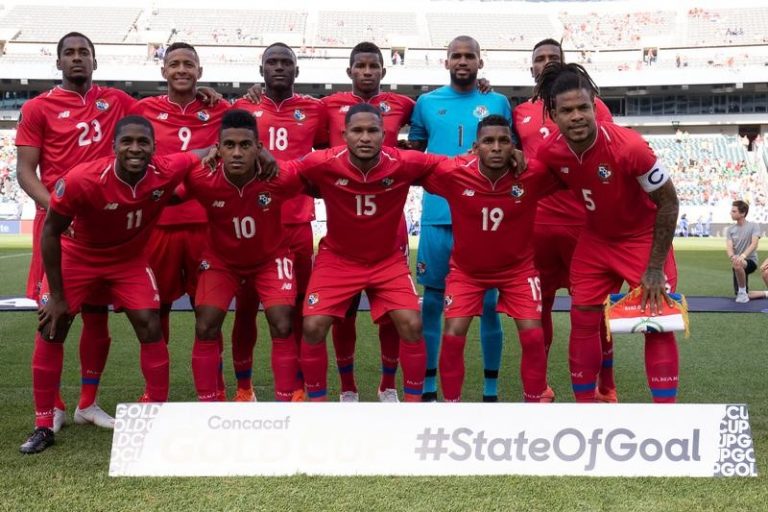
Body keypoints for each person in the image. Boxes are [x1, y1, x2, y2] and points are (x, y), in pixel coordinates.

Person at [20, 116, 205, 454]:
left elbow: (203, 152)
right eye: (127, 142)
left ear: (154, 147)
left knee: (150, 324)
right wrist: (58, 296)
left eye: (143, 142)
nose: (135, 148)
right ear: (114, 147)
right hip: (78, 256)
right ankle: (43, 423)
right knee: (52, 326)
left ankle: (157, 415)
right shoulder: (82, 179)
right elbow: (50, 232)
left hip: (128, 260)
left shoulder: (166, 168)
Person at [534, 62, 680, 403]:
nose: (577, 116)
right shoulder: (551, 151)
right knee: (582, 319)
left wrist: (655, 267)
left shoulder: (630, 147)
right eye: (567, 110)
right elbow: (534, 185)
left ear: (595, 105)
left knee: (655, 319)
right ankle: (587, 409)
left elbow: (669, 203)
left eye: (583, 107)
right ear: (553, 115)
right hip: (596, 240)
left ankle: (667, 415)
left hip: (642, 238)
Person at [15, 32, 137, 431]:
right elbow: (25, 172)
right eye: (69, 53)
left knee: (98, 317)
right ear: (58, 62)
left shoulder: (117, 101)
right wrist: (59, 209)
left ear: (95, 62)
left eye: (84, 52)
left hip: (103, 229)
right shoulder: (37, 107)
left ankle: (88, 402)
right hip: (57, 227)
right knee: (54, 316)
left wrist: (205, 95)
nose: (77, 58)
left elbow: (163, 114)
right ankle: (53, 408)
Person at [422, 115, 556, 402]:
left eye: (503, 141)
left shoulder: (533, 173)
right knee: (453, 336)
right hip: (466, 272)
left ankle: (534, 402)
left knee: (534, 337)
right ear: (475, 147)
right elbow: (416, 171)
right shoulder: (453, 172)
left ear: (513, 146)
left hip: (518, 271)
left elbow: (569, 173)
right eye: (488, 141)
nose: (496, 147)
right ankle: (452, 406)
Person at [513, 38, 617, 403]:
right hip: (536, 225)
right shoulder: (519, 112)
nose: (545, 63)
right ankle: (539, 388)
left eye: (552, 58)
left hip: (582, 225)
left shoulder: (593, 107)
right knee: (536, 310)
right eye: (538, 59)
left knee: (590, 311)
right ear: (531, 68)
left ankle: (605, 386)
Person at [408, 35, 511, 402]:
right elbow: (415, 154)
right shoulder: (426, 103)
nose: (463, 61)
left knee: (487, 303)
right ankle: (430, 386)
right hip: (437, 216)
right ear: (446, 62)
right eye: (456, 56)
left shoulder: (496, 101)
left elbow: (510, 153)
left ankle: (489, 392)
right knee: (433, 302)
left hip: (484, 218)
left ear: (481, 63)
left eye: (470, 56)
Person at [183, 110, 305, 402]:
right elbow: (163, 184)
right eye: (229, 145)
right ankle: (208, 404)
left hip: (270, 259)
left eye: (245, 145)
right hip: (221, 262)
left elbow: (320, 172)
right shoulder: (201, 178)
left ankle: (285, 403)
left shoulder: (279, 176)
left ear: (259, 148)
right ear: (218, 148)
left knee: (283, 320)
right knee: (205, 323)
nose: (237, 152)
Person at [128, 43, 231, 389]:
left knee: (209, 314)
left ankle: (212, 390)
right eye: (174, 64)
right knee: (156, 312)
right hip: (159, 226)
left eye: (189, 64)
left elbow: (239, 135)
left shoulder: (219, 109)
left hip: (207, 226)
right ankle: (155, 393)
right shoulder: (143, 109)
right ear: (163, 72)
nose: (182, 70)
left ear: (200, 72)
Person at [232, 42, 328, 402]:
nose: (279, 68)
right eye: (271, 62)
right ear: (261, 70)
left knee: (297, 307)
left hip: (297, 223)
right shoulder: (243, 107)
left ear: (297, 71)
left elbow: (331, 143)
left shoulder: (314, 110)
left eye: (286, 62)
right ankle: (244, 387)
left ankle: (298, 386)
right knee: (244, 308)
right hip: (250, 224)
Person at [320, 42, 415, 402]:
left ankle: (388, 385)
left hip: (390, 221)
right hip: (344, 220)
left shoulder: (403, 105)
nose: (366, 72)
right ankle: (348, 389)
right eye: (359, 66)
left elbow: (420, 137)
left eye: (373, 66)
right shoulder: (327, 107)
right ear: (349, 72)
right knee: (343, 311)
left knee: (393, 313)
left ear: (383, 71)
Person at [726, 200, 761, 303]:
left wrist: (742, 256)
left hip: (750, 261)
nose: (731, 213)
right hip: (737, 262)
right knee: (742, 293)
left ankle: (742, 293)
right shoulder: (730, 229)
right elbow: (729, 247)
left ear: (742, 213)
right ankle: (764, 293)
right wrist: (732, 257)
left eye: (734, 211)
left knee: (738, 264)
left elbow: (754, 244)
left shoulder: (754, 226)